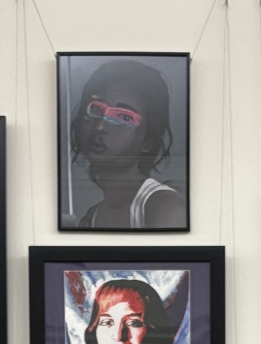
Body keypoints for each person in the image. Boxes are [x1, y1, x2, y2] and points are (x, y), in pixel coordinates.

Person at [69, 58, 186, 230]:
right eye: (97, 109)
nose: (101, 126)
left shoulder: (164, 206)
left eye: (124, 117)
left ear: (147, 141)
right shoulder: (90, 218)